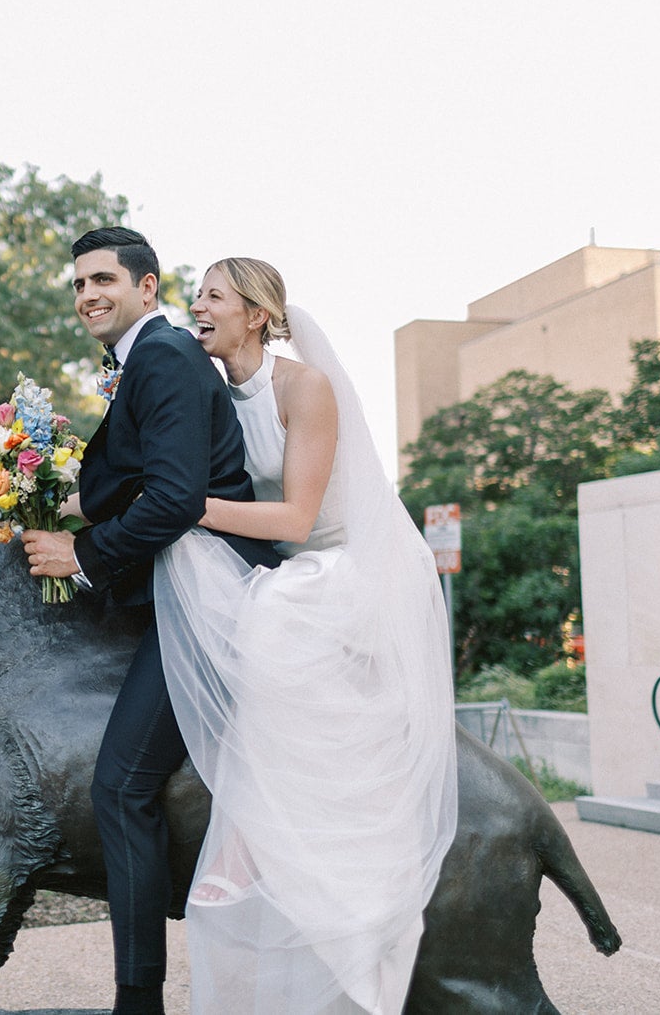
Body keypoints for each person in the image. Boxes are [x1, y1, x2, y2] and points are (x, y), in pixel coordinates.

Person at [155, 258, 459, 1014]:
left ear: (256, 314)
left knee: (270, 617)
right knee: (228, 586)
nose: (197, 306)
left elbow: (296, 519)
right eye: (196, 294)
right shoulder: (215, 390)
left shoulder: (305, 387)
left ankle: (251, 841)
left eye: (213, 296)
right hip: (288, 562)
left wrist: (182, 506)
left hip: (344, 564)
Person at [20, 228, 280, 1015]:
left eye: (102, 278)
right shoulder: (143, 361)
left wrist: (83, 555)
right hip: (180, 585)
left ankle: (140, 1001)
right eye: (77, 283)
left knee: (121, 786)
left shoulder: (163, 355)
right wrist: (1, 510)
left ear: (145, 286)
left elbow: (173, 497)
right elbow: (117, 482)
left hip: (210, 597)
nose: (86, 294)